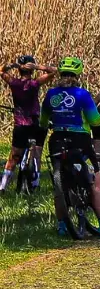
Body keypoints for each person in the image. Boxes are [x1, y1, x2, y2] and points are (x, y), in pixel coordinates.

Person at [41, 57, 100, 235]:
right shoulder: (82, 95)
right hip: (79, 139)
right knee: (96, 183)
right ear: (78, 74)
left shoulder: (51, 94)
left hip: (57, 139)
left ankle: (62, 226)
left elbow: (43, 121)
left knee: (59, 186)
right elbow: (94, 120)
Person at [2, 54, 50, 194]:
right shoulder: (34, 84)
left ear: (20, 70)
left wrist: (13, 65)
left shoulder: (14, 83)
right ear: (31, 70)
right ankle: (35, 184)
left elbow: (1, 71)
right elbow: (54, 71)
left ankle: (2, 186)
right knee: (37, 152)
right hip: (35, 123)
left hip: (20, 125)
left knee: (13, 156)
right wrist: (38, 66)